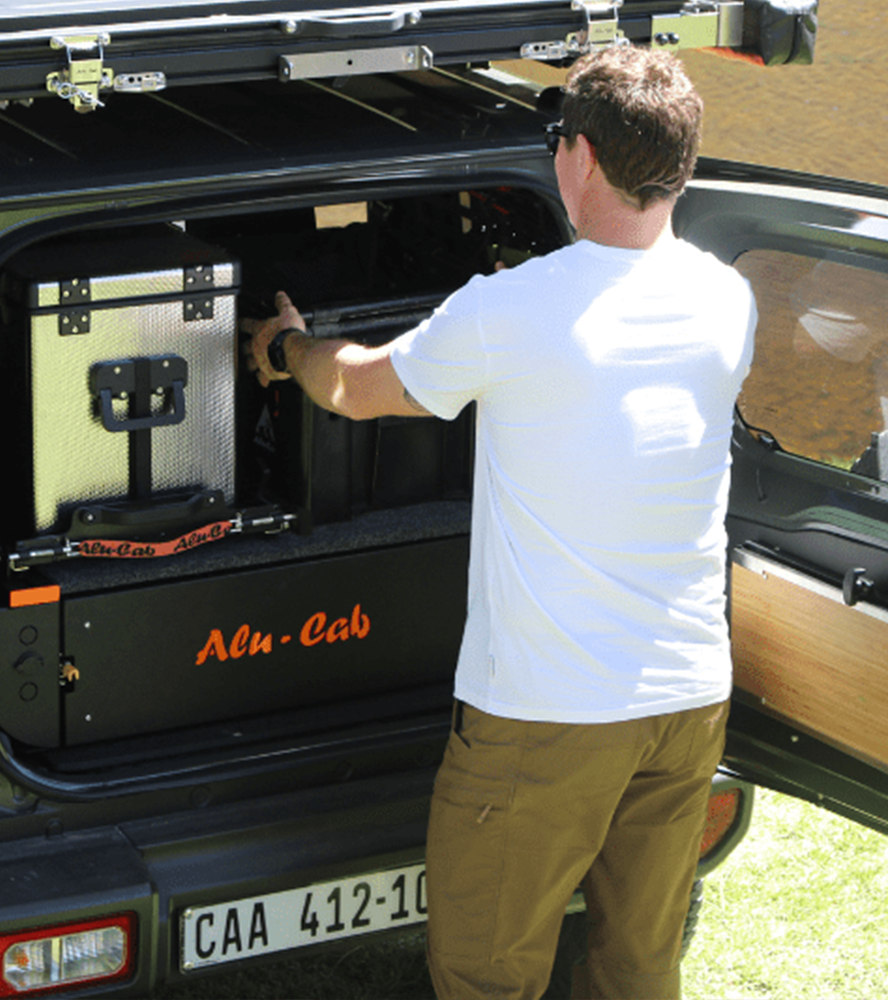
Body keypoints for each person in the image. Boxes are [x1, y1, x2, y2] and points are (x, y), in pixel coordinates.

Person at [243, 45, 756, 1000]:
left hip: (550, 716)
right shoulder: (727, 298)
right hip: (687, 702)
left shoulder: (511, 310)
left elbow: (357, 390)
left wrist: (291, 346)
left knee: (487, 974)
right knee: (640, 969)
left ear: (580, 157)